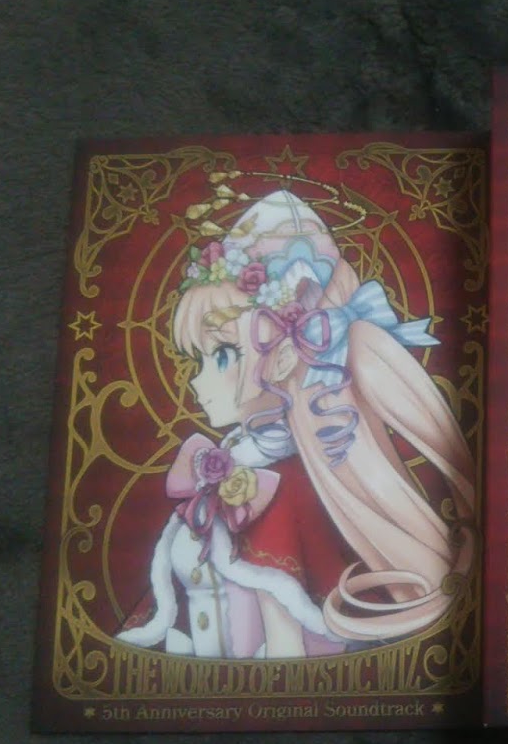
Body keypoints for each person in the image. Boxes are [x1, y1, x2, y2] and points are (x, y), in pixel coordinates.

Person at [117, 186, 477, 658]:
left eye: (222, 355)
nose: (196, 382)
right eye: (196, 360)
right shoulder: (241, 465)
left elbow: (286, 660)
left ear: (285, 356)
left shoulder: (284, 491)